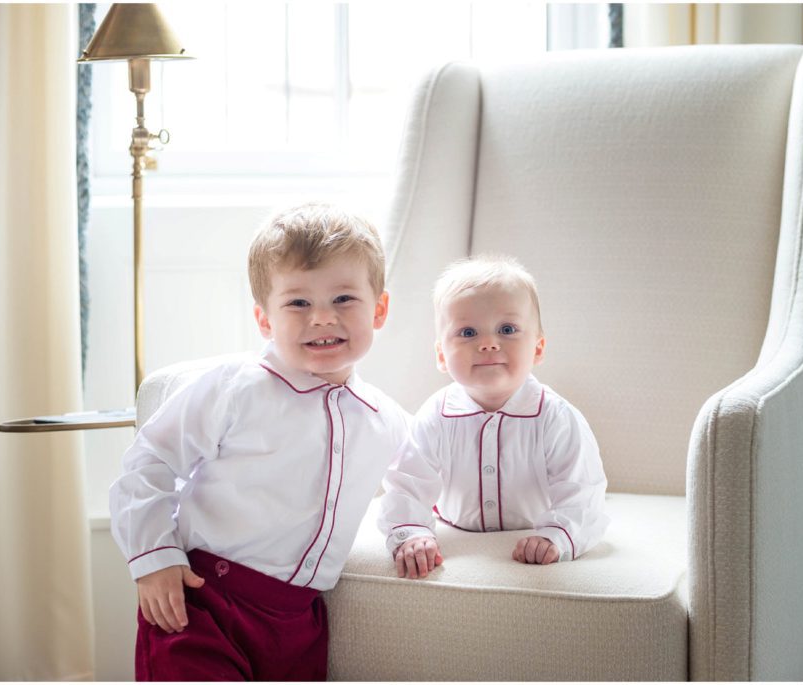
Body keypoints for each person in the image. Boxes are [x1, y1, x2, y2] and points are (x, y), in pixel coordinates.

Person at [109, 203, 410, 681]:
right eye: (298, 303)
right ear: (264, 319)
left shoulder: (387, 419)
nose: (322, 319)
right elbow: (149, 460)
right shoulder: (237, 386)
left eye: (344, 299)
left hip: (297, 621)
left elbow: (421, 478)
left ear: (379, 309)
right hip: (202, 600)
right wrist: (153, 558)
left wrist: (413, 531)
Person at [377, 255, 609, 580]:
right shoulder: (434, 416)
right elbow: (407, 485)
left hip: (533, 528)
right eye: (468, 332)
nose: (487, 343)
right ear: (442, 355)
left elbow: (582, 492)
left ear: (538, 348)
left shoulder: (556, 417)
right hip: (455, 526)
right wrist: (411, 532)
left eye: (507, 329)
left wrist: (557, 535)